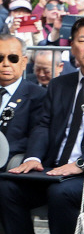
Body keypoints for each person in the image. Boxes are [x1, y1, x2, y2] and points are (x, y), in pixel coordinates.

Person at [0, 17, 84, 234]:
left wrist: (83, 163)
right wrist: (33, 156)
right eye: (82, 41)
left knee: (60, 193)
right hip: (52, 168)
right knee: (8, 187)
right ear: (71, 47)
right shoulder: (60, 85)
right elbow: (43, 125)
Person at [0, 35, 46, 164]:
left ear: (24, 62)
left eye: (13, 58)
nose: (6, 64)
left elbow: (35, 137)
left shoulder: (38, 95)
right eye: (0, 58)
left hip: (10, 164)